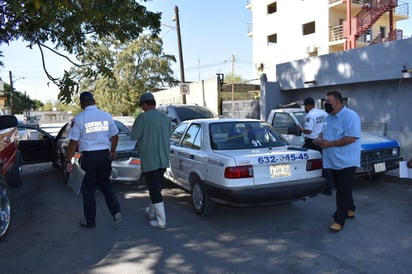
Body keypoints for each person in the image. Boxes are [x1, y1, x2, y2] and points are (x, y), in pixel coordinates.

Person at [66, 91, 122, 228]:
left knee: (89, 190)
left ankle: (90, 221)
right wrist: (113, 151)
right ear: (94, 101)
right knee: (106, 185)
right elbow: (115, 136)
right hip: (104, 155)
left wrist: (68, 161)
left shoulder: (79, 118)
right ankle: (116, 212)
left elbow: (73, 142)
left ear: (81, 105)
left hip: (89, 157)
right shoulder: (106, 116)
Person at [314, 90, 361, 232]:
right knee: (343, 187)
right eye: (325, 102)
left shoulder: (351, 116)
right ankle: (351, 208)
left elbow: (352, 137)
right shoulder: (328, 117)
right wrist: (319, 139)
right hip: (332, 160)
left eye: (329, 102)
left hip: (347, 160)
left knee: (342, 189)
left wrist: (330, 144)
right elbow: (324, 131)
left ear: (339, 102)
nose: (326, 104)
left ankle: (339, 219)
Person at [130, 92, 171, 229]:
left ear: (145, 104)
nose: (142, 108)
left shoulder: (142, 118)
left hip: (150, 159)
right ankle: (152, 211)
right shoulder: (166, 118)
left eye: (142, 105)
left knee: (154, 190)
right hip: (163, 159)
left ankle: (161, 221)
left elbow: (134, 136)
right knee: (157, 186)